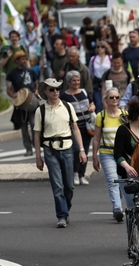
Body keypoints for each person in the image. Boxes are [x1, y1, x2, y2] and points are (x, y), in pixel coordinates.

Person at [34, 78, 87, 228]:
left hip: (68, 148)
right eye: (51, 89)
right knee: (57, 185)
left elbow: (75, 128)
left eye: (57, 89)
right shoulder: (41, 110)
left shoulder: (67, 106)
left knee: (69, 185)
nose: (55, 92)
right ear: (45, 91)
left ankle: (65, 208)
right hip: (50, 150)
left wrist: (82, 150)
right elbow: (37, 134)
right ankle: (62, 215)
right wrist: (38, 157)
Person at [92, 87, 126, 222]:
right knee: (113, 181)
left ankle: (118, 205)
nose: (114, 100)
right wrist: (95, 157)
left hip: (122, 154)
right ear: (105, 100)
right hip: (107, 153)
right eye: (111, 97)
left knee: (122, 182)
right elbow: (96, 138)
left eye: (116, 97)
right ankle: (117, 208)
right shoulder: (101, 116)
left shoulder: (124, 115)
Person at [61, 71, 95, 186]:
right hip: (73, 127)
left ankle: (82, 174)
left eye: (78, 80)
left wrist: (92, 107)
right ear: (69, 82)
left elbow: (92, 103)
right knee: (76, 151)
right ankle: (75, 173)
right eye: (74, 80)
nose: (76, 82)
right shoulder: (64, 96)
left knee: (84, 150)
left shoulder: (84, 92)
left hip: (86, 126)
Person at [6, 50, 38, 156]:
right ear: (17, 60)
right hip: (21, 103)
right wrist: (13, 95)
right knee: (23, 126)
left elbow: (36, 84)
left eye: (25, 58)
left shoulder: (31, 71)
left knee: (34, 124)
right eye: (22, 59)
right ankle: (28, 148)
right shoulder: (12, 74)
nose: (24, 60)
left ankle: (35, 144)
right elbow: (9, 89)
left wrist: (37, 91)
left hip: (31, 100)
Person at [88, 41, 112, 113]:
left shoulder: (110, 58)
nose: (100, 48)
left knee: (109, 102)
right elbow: (91, 72)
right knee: (99, 104)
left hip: (108, 83)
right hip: (97, 84)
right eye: (98, 47)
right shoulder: (93, 59)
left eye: (102, 47)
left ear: (106, 48)